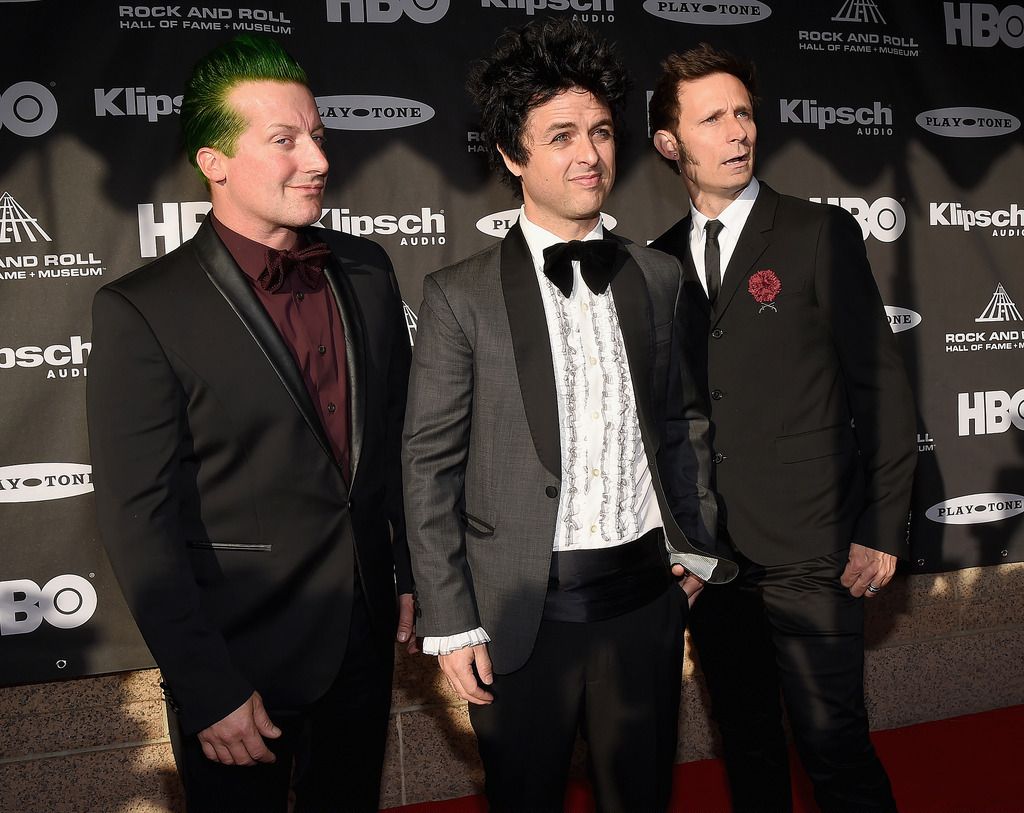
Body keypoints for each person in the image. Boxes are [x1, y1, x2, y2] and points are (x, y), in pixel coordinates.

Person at [403, 18, 736, 813]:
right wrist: (451, 621)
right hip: (521, 609)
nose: (588, 154)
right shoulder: (460, 294)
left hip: (645, 597)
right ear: (513, 156)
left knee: (643, 796)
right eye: (559, 136)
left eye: (598, 131)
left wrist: (697, 538)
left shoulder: (659, 277)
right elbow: (429, 465)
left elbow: (688, 418)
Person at [87, 34, 413, 813]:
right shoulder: (144, 308)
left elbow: (397, 443)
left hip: (364, 646)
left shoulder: (366, 271)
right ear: (215, 162)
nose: (318, 159)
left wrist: (403, 574)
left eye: (318, 136)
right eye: (284, 140)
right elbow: (138, 521)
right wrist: (207, 686)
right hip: (240, 662)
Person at [648, 43, 917, 812]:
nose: (737, 132)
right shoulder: (658, 263)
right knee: (750, 749)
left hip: (814, 546)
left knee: (833, 748)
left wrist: (883, 525)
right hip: (714, 562)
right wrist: (680, 540)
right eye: (712, 118)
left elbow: (882, 387)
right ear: (670, 143)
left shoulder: (816, 233)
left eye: (744, 113)